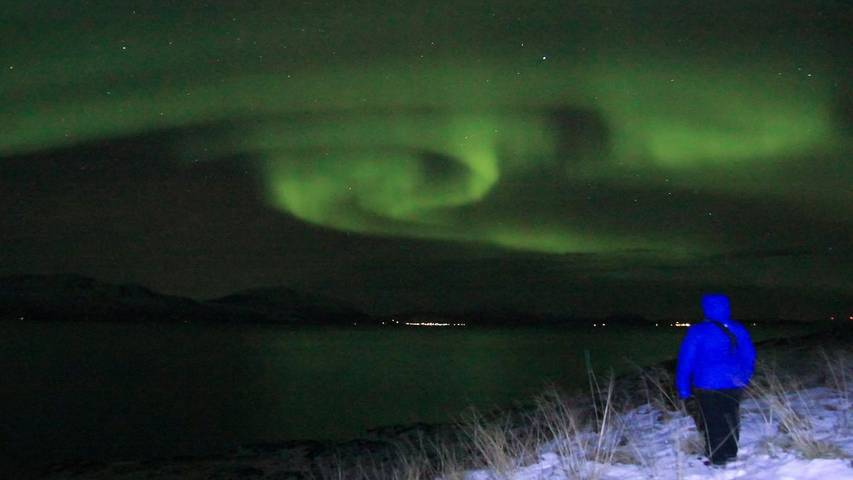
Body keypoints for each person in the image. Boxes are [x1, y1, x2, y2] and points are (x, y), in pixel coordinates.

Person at [676, 293, 756, 466]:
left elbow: (686, 360)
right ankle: (730, 453)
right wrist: (744, 377)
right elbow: (749, 356)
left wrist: (683, 388)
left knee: (712, 420)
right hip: (733, 383)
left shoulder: (698, 331)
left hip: (707, 384)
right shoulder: (737, 328)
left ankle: (718, 459)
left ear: (705, 308)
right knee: (731, 417)